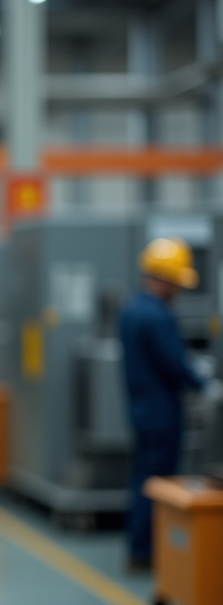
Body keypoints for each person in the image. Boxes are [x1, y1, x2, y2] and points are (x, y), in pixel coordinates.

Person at [119, 237, 208, 570]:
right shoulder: (157, 316)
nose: (179, 291)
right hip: (162, 413)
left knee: (142, 478)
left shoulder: (130, 310)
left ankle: (138, 546)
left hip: (140, 409)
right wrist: (204, 383)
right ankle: (147, 551)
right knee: (158, 483)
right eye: (176, 282)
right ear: (165, 278)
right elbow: (175, 364)